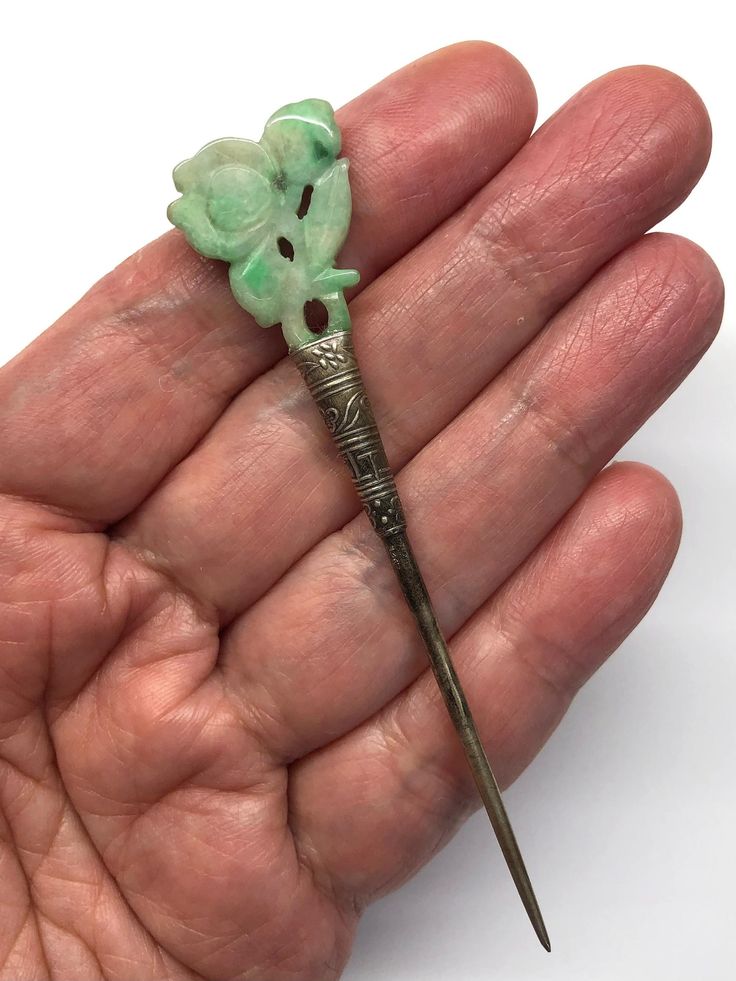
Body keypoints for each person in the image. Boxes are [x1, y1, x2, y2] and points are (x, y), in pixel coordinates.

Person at [0, 41, 723, 981]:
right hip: (310, 317)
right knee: (402, 546)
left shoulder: (309, 210)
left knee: (412, 540)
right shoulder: (266, 252)